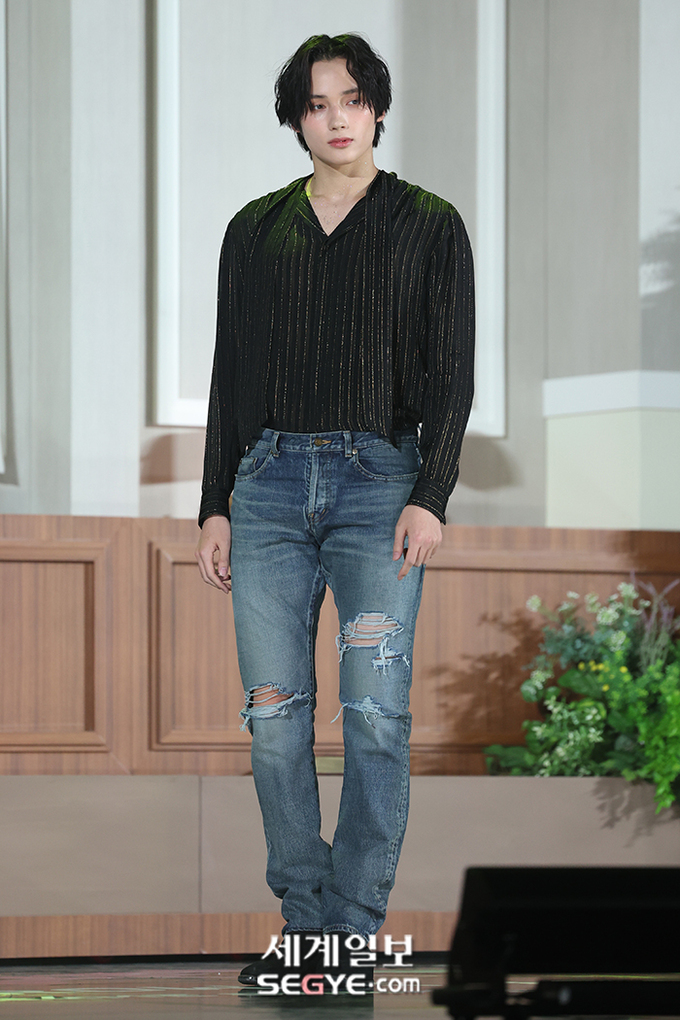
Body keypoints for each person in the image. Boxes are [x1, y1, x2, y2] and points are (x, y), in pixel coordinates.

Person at [195, 33, 474, 986]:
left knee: (374, 716)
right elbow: (230, 375)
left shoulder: (429, 224)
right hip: (267, 486)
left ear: (377, 108)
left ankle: (353, 929)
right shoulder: (253, 230)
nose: (337, 118)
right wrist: (215, 503)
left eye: (352, 99)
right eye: (317, 104)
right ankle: (305, 922)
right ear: (297, 119)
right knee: (274, 719)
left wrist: (431, 494)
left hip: (379, 488)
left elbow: (452, 375)